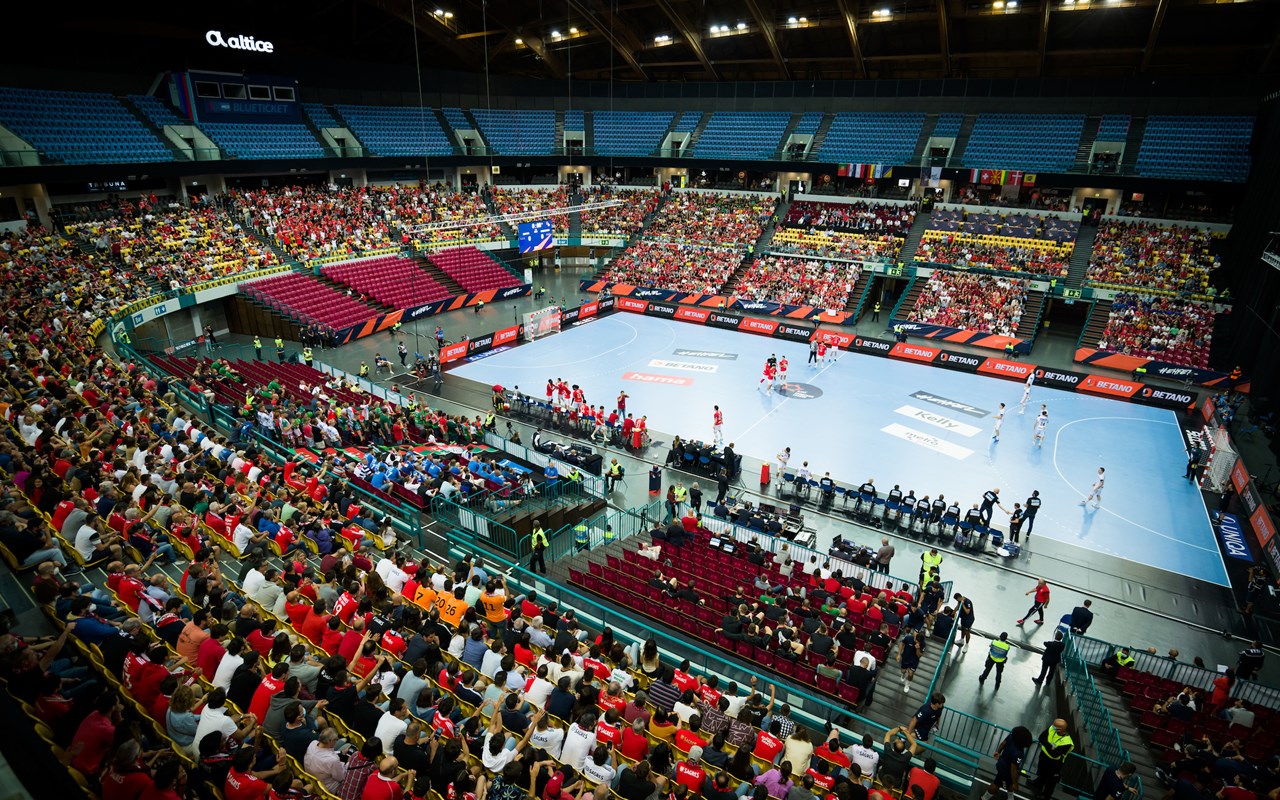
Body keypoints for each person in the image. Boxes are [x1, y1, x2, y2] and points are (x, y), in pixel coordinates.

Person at [1029, 719, 1074, 800]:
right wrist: (1051, 747)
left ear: (1061, 729)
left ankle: (1046, 796)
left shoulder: (1067, 742)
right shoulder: (1052, 729)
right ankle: (1038, 783)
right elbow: (1041, 738)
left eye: (1055, 726)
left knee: (1051, 781)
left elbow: (1055, 754)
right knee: (1042, 772)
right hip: (1044, 756)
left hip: (1055, 763)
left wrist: (1047, 744)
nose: (1052, 726)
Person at [984, 726, 1033, 799]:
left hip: (1001, 763)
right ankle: (984, 798)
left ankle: (1010, 797)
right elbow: (1013, 769)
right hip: (1006, 771)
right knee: (997, 783)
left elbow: (1002, 744)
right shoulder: (1018, 753)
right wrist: (1015, 783)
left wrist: (998, 752)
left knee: (1008, 783)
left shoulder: (1011, 737)